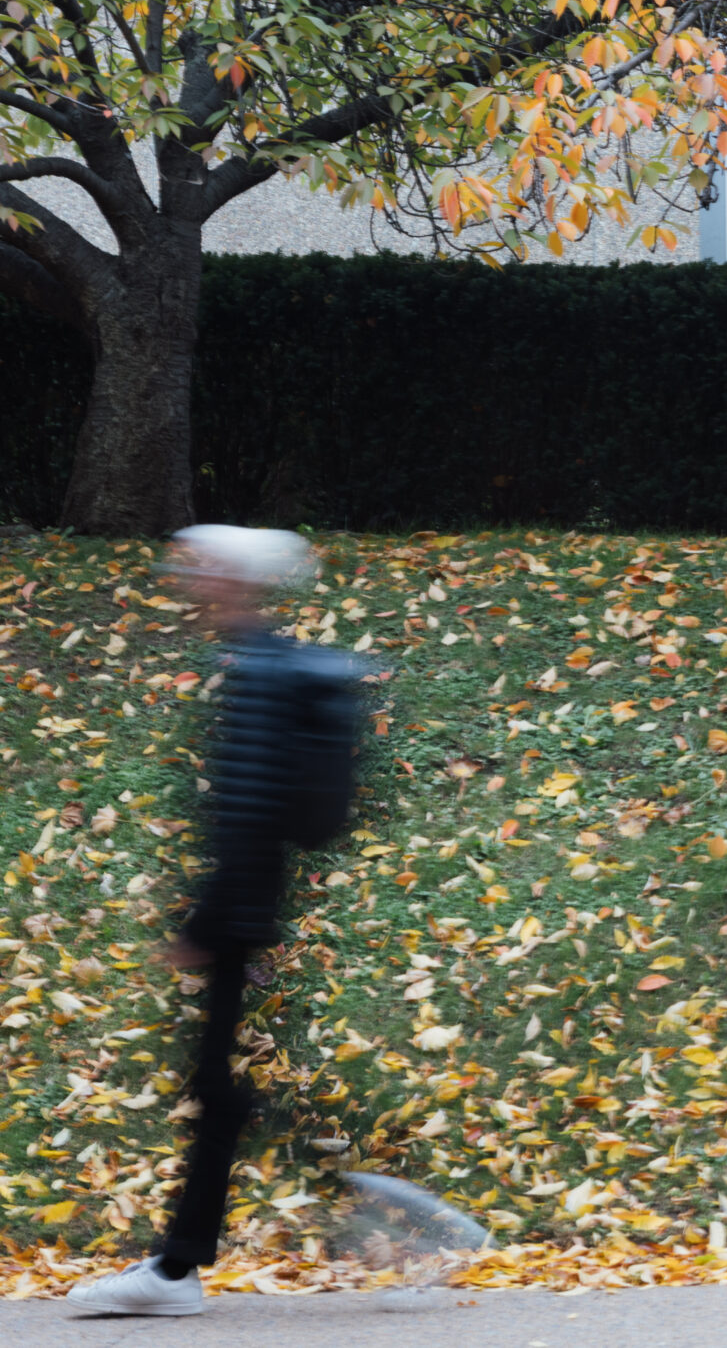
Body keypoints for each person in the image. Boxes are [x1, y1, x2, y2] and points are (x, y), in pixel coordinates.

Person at [68, 526, 354, 1318]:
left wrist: (206, 918)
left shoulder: (261, 672)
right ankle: (182, 1260)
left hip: (241, 904)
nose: (193, 584)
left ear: (238, 581)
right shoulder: (260, 661)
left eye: (205, 572)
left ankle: (177, 1268)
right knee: (218, 1082)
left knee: (218, 1083)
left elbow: (252, 810)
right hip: (248, 902)